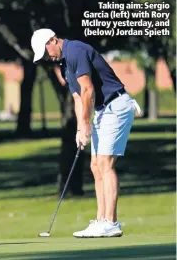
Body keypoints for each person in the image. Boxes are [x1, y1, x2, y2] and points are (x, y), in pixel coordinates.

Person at [31, 28, 141, 238]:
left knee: (105, 164)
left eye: (46, 52)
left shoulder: (75, 51)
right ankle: (101, 221)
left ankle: (111, 222)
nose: (48, 58)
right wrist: (81, 128)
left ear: (53, 39)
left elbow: (88, 89)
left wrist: (86, 123)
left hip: (116, 105)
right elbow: (78, 98)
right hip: (102, 110)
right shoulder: (64, 64)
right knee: (95, 165)